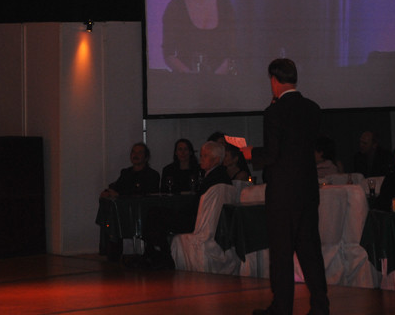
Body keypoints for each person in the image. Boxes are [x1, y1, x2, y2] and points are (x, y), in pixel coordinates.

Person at [242, 59, 329, 315]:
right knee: (310, 250)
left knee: (282, 253)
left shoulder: (274, 112)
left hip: (282, 193)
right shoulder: (313, 108)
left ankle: (282, 307)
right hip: (307, 189)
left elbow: (272, 153)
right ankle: (320, 305)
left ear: (274, 80)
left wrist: (251, 153)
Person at [139, 141, 232, 269]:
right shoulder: (222, 176)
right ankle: (156, 255)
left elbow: (197, 205)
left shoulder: (213, 178)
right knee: (157, 214)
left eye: (205, 156)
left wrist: (180, 211)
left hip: (197, 221)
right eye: (201, 155)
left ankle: (160, 256)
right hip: (203, 219)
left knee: (154, 214)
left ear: (216, 160)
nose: (201, 159)